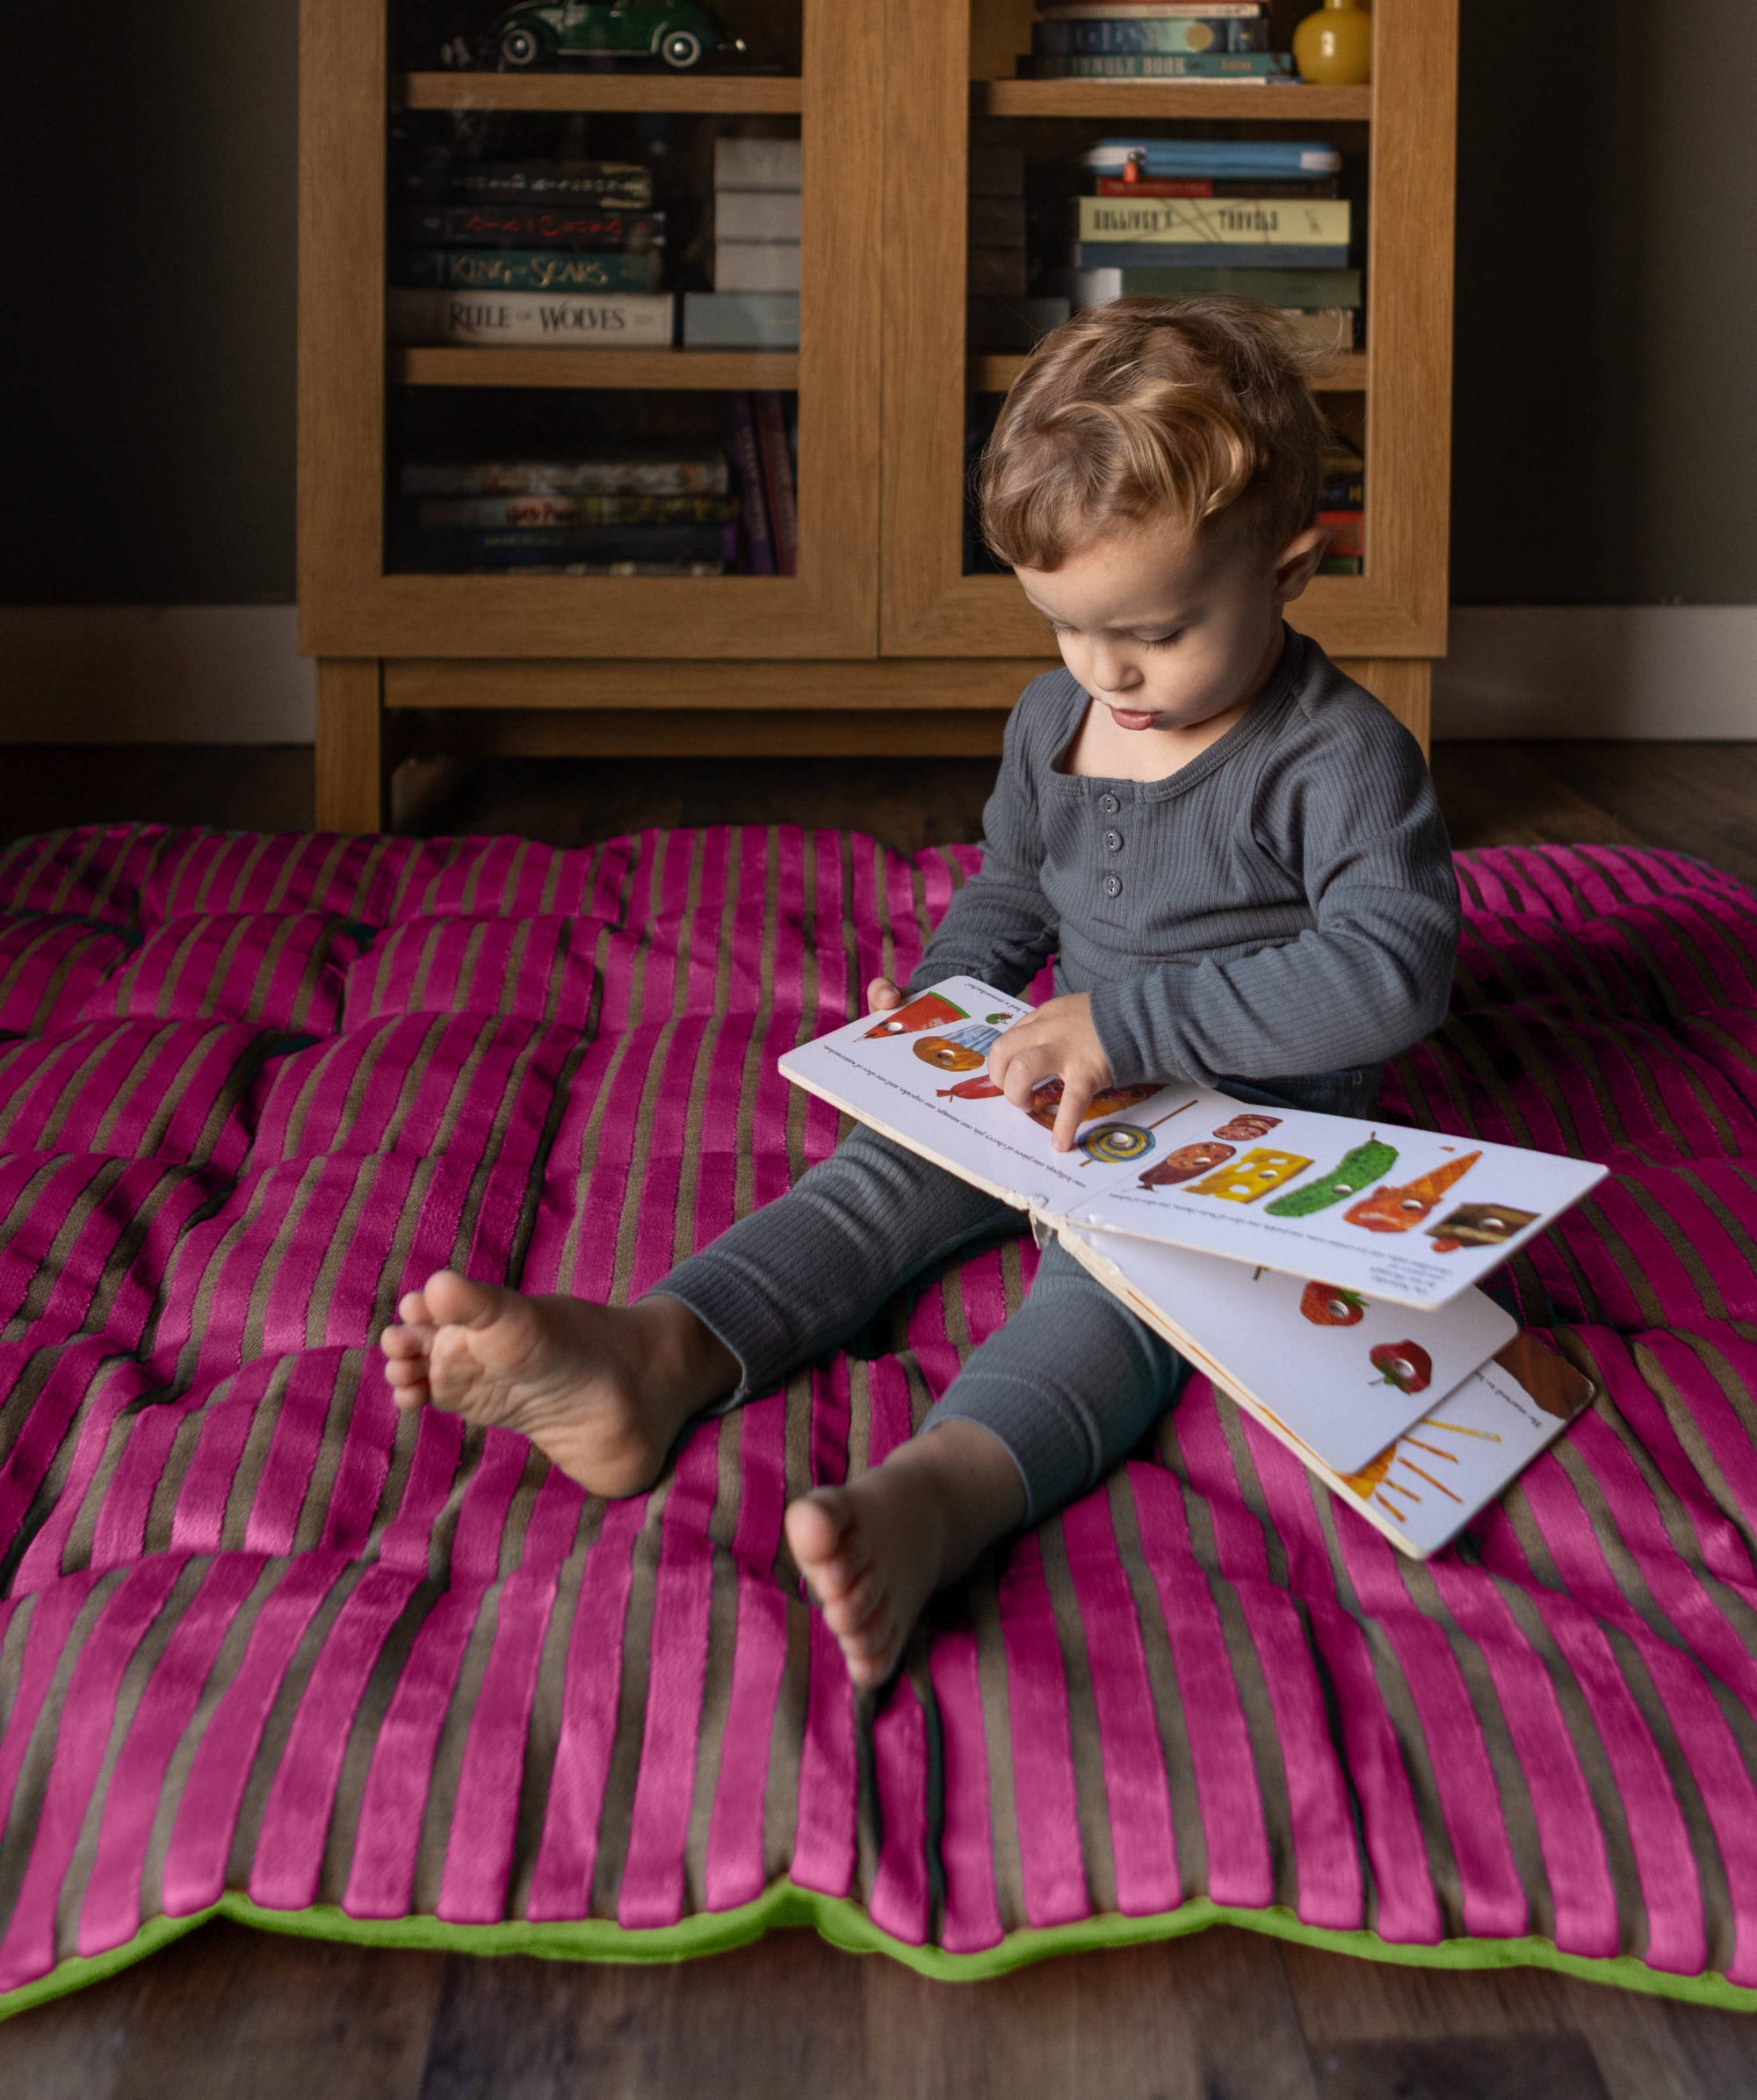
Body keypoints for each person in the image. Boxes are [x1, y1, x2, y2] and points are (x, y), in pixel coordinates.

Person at [379, 298, 1460, 1688]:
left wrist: (1131, 1024)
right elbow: (1016, 889)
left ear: (1293, 569)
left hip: (1242, 1133)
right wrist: (947, 1005)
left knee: (1112, 1298)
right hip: (1064, 1076)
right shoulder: (1055, 716)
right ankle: (653, 1357)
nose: (1109, 673)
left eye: (1157, 631)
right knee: (872, 1182)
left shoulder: (1341, 755)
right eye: (1068, 628)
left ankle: (937, 1495)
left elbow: (1395, 970)